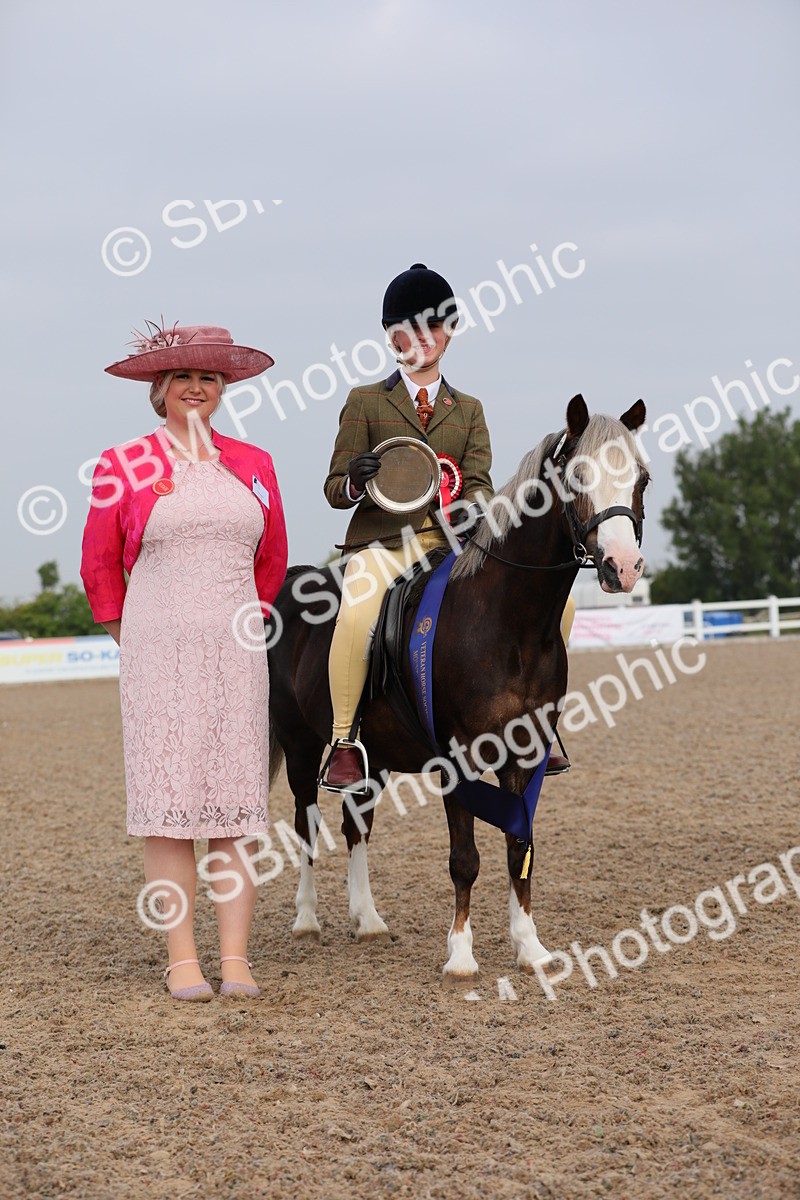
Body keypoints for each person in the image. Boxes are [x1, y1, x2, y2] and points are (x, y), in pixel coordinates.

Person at [81, 322, 288, 1001]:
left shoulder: (255, 463)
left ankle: (234, 960)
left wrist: (249, 618)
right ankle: (181, 961)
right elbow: (100, 560)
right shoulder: (122, 464)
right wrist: (126, 632)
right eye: (183, 378)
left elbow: (273, 557)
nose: (197, 387)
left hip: (236, 650)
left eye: (210, 377)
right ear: (160, 390)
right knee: (170, 805)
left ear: (222, 389)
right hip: (157, 648)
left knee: (234, 808)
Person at [321, 263, 574, 792]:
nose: (422, 338)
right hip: (383, 543)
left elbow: (480, 483)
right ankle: (345, 742)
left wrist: (463, 507)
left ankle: (538, 723)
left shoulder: (470, 410)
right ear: (392, 335)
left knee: (562, 604)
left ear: (450, 332)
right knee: (359, 609)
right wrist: (355, 479)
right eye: (409, 328)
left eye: (433, 326)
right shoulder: (366, 401)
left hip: (452, 542)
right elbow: (333, 489)